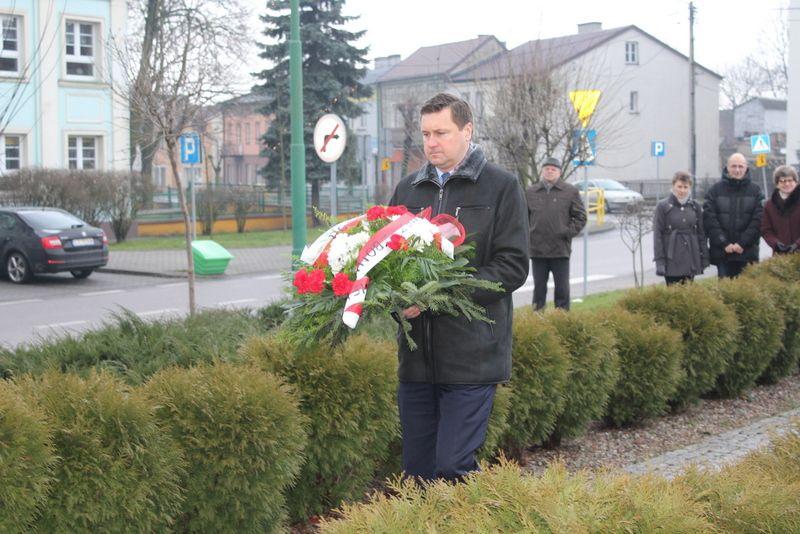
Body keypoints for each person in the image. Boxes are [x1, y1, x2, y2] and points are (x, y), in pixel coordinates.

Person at [388, 93, 529, 482]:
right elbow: (386, 263)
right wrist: (396, 301)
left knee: (453, 468)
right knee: (417, 474)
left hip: (472, 359)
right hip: (416, 362)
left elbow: (512, 266)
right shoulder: (407, 190)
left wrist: (442, 295)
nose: (432, 143)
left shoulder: (501, 187)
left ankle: (480, 511)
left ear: (467, 130)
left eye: (442, 133)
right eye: (426, 134)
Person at [526, 156, 586, 309]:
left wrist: (567, 232)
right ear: (542, 171)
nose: (550, 171)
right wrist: (529, 235)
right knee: (539, 288)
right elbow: (523, 218)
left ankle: (562, 317)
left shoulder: (570, 191)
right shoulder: (531, 192)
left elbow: (580, 217)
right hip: (537, 250)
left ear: (559, 172)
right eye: (547, 169)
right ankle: (537, 315)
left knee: (562, 288)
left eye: (553, 169)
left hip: (560, 249)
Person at [703, 153, 763, 278]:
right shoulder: (714, 190)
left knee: (747, 289)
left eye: (740, 166)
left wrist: (742, 243)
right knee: (724, 289)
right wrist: (724, 243)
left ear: (746, 168)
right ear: (727, 167)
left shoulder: (756, 191)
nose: (737, 170)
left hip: (747, 252)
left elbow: (758, 221)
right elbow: (710, 220)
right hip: (723, 253)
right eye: (734, 166)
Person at [653, 171, 709, 285]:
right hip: (671, 258)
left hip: (691, 256)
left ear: (690, 188)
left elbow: (701, 233)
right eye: (679, 186)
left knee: (688, 290)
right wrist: (660, 261)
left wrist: (704, 257)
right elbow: (657, 235)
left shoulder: (695, 206)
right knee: (673, 291)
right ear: (673, 186)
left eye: (685, 187)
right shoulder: (663, 206)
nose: (682, 190)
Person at [761, 165, 800, 255]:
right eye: (782, 181)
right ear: (777, 184)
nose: (787, 184)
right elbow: (766, 230)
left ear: (796, 182)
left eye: (790, 180)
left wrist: (797, 244)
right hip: (780, 255)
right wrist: (776, 244)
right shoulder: (769, 205)